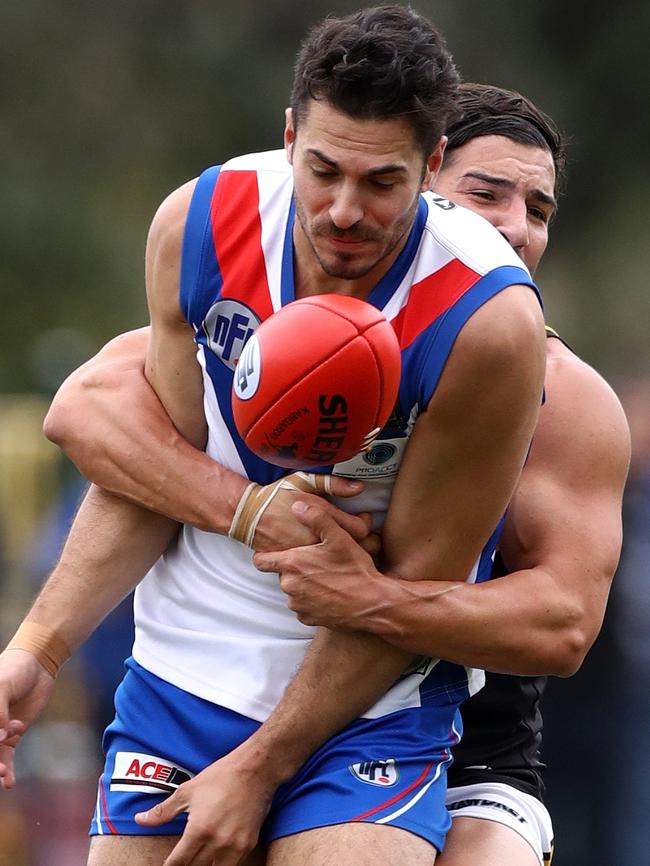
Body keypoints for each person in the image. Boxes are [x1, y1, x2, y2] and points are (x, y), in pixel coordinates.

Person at [0, 10, 548, 866]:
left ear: (434, 166)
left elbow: (411, 594)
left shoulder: (486, 323)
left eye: (382, 182)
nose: (343, 211)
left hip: (371, 704)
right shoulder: (200, 227)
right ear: (290, 135)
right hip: (182, 676)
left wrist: (258, 769)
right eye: (323, 169)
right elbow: (148, 480)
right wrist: (36, 651)